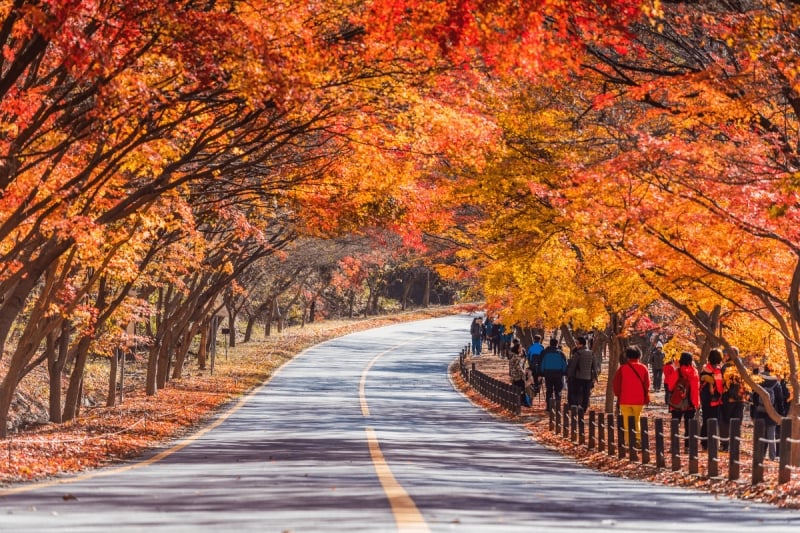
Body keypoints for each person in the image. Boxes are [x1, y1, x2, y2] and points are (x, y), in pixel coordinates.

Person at [612, 346, 651, 445]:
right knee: (637, 419)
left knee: (627, 421)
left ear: (627, 356)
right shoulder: (643, 368)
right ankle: (637, 439)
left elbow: (616, 384)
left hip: (625, 399)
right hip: (638, 399)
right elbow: (647, 385)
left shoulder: (622, 368)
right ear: (639, 356)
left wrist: (618, 394)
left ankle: (629, 441)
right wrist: (646, 396)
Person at [665, 351, 700, 450]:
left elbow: (670, 386)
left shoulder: (677, 371)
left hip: (677, 402)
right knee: (689, 426)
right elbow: (695, 389)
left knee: (675, 424)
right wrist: (696, 402)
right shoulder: (694, 372)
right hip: (690, 403)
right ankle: (688, 446)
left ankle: (674, 446)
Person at [750, 364, 784, 461]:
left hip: (759, 412)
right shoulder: (776, 383)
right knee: (771, 436)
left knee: (759, 435)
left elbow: (754, 398)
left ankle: (758, 455)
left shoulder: (758, 381)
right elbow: (780, 400)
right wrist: (781, 415)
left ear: (764, 369)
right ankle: (772, 457)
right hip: (772, 413)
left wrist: (754, 411)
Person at [720, 346, 748, 451]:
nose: (724, 356)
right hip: (741, 399)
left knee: (725, 422)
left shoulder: (726, 367)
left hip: (728, 399)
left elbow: (722, 384)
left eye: (726, 354)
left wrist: (730, 396)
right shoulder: (743, 368)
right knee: (736, 422)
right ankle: (735, 445)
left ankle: (725, 445)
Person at [699, 349, 724, 450]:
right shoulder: (719, 370)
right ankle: (714, 442)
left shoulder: (705, 369)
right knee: (716, 421)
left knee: (706, 420)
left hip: (706, 399)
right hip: (716, 399)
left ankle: (704, 443)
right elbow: (720, 386)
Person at [566, 335, 598, 412]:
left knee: (577, 392)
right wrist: (595, 377)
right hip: (588, 377)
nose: (576, 345)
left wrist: (569, 376)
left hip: (578, 377)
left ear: (581, 344)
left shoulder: (578, 353)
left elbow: (573, 366)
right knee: (586, 393)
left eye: (577, 343)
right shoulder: (591, 353)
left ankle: (576, 406)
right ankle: (584, 408)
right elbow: (594, 366)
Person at [540, 338, 568, 411]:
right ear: (557, 344)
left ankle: (549, 407)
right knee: (558, 390)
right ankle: (558, 406)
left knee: (549, 390)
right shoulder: (561, 353)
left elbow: (542, 364)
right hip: (558, 374)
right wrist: (564, 372)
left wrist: (542, 372)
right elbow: (564, 364)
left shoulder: (545, 353)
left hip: (548, 374)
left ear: (550, 343)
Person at [508, 340, 530, 406]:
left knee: (516, 389)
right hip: (518, 376)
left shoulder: (513, 356)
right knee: (521, 389)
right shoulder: (517, 358)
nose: (521, 349)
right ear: (517, 349)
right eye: (520, 348)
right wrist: (524, 373)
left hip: (514, 375)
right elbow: (519, 367)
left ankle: (517, 401)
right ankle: (522, 402)